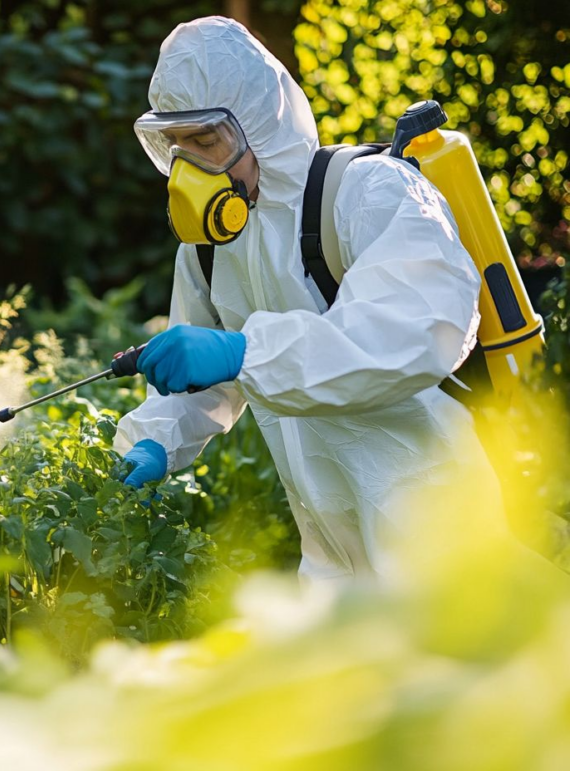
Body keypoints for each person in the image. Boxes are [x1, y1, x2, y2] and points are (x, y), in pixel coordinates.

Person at [114, 17, 505, 584]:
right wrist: (153, 439)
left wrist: (244, 354)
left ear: (259, 125)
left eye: (205, 141)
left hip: (440, 528)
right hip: (330, 553)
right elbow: (205, 382)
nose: (189, 167)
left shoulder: (369, 192)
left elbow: (414, 334)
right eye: (176, 145)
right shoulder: (209, 246)